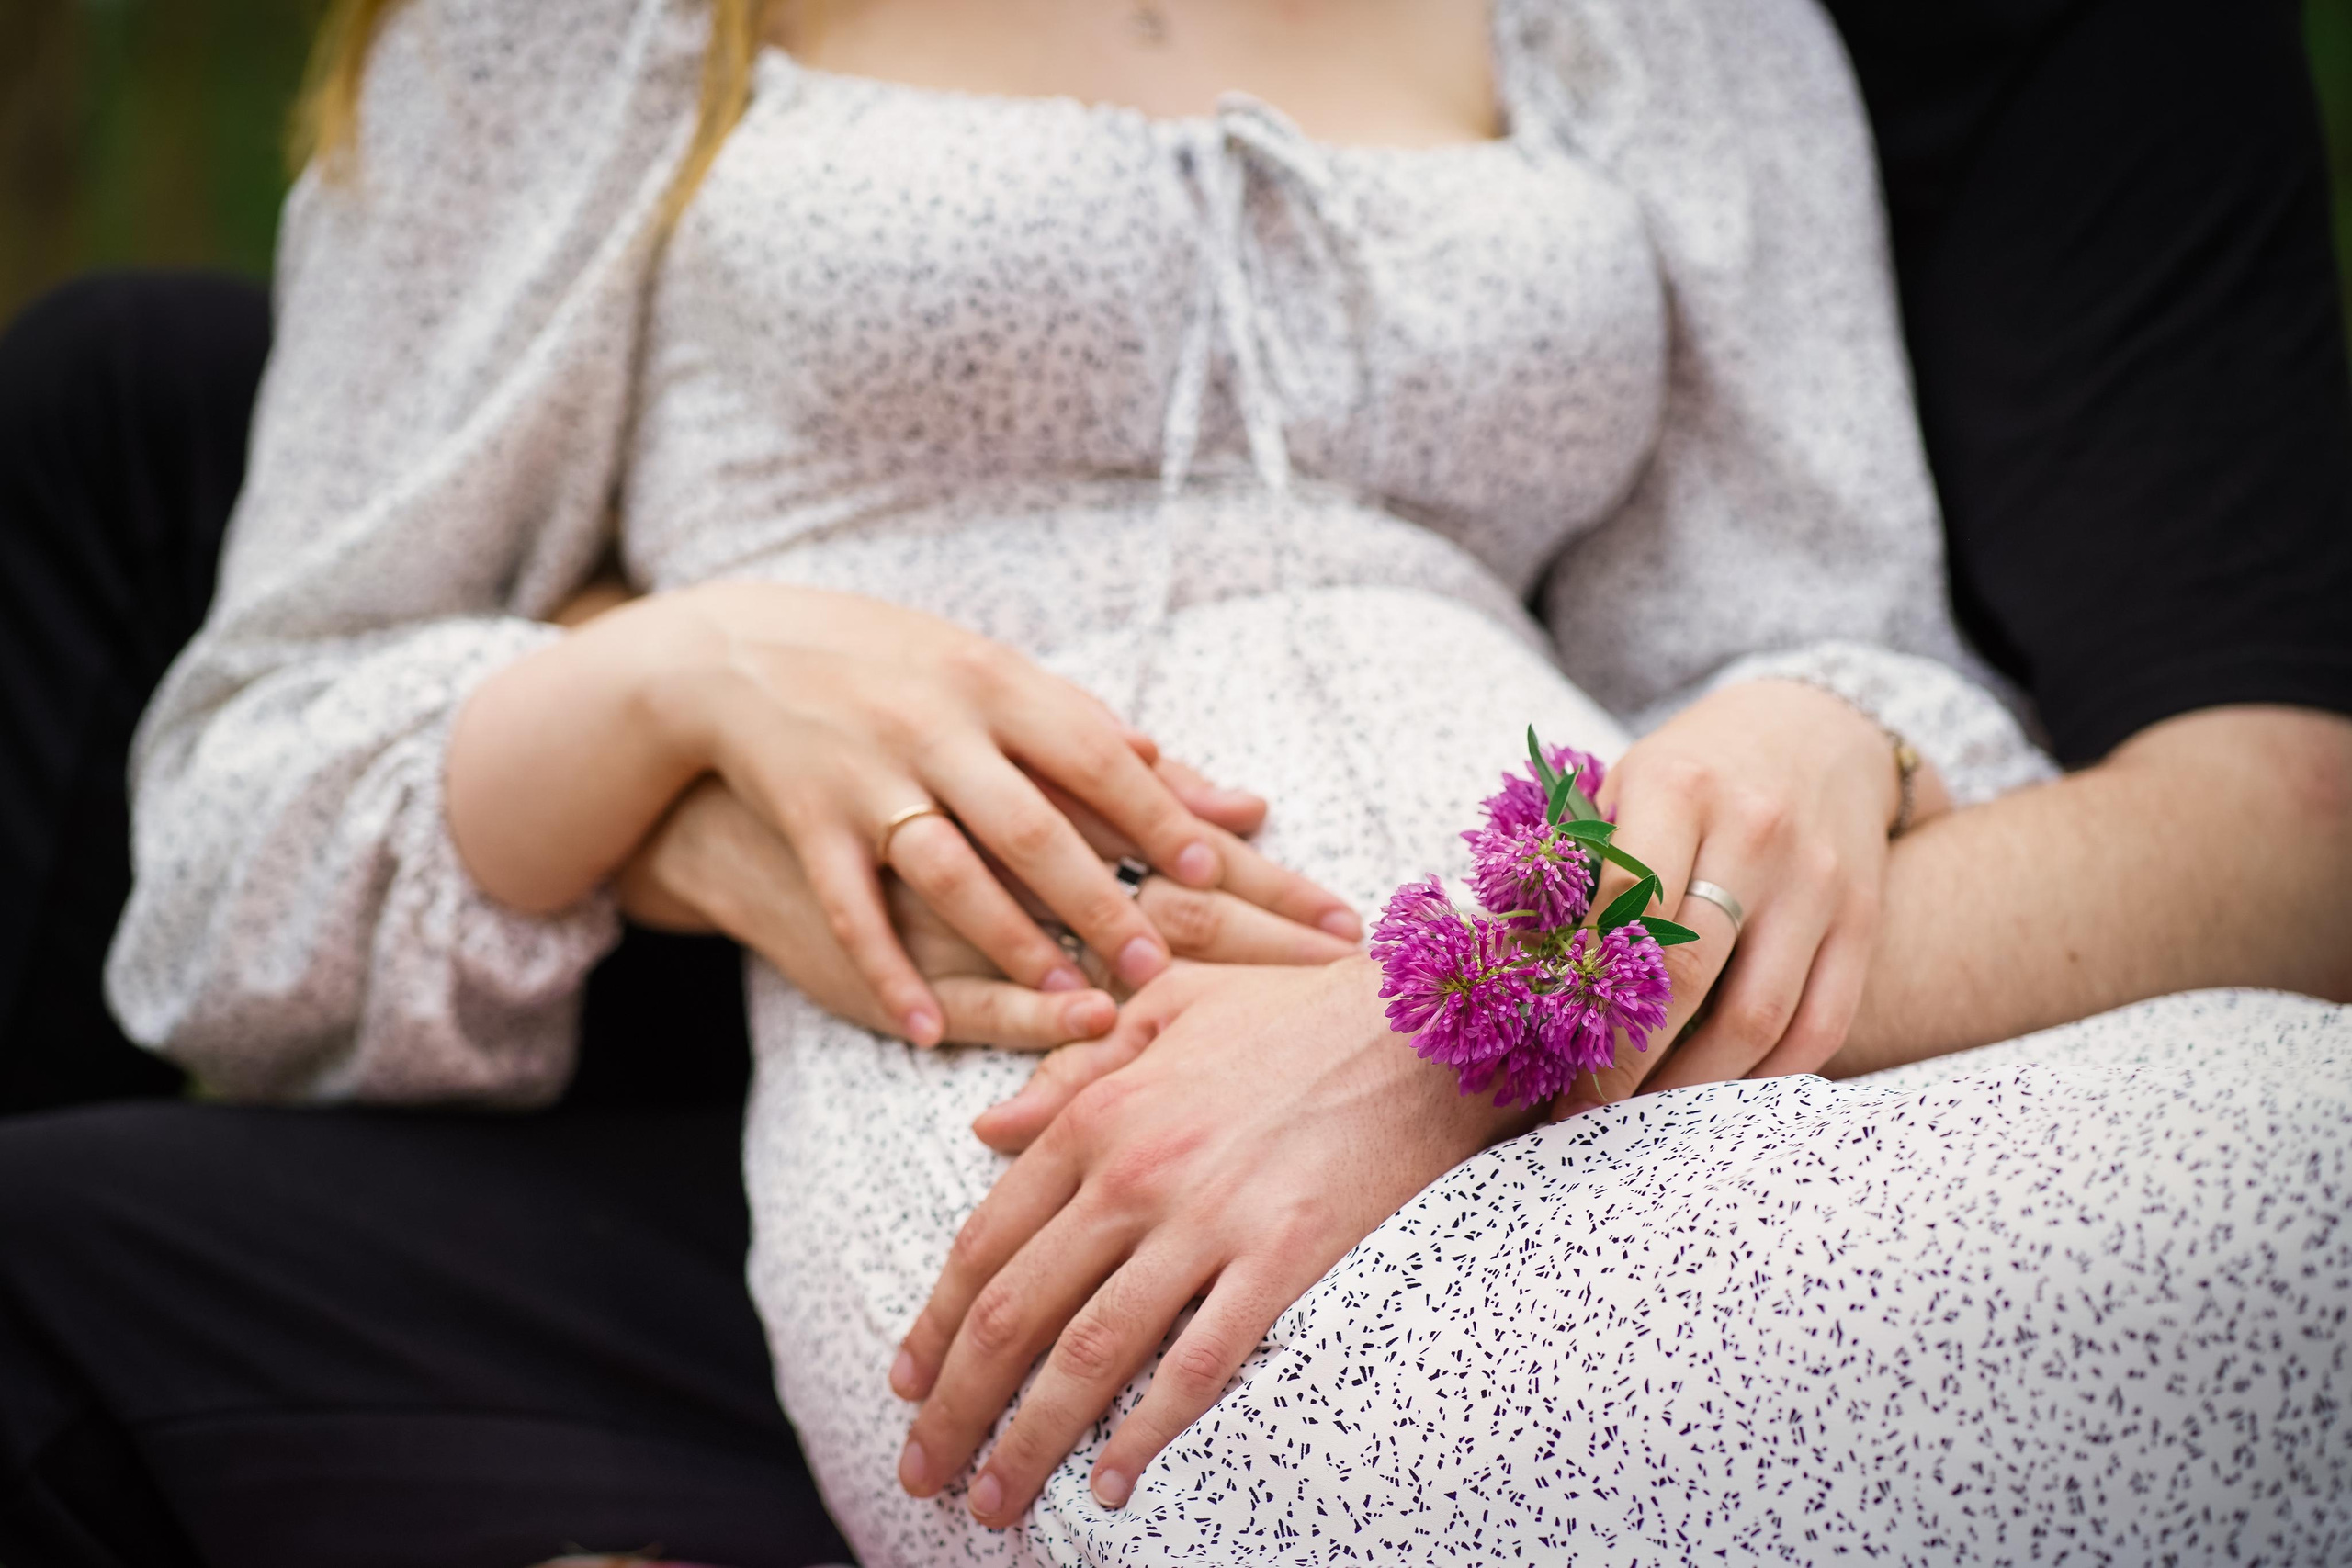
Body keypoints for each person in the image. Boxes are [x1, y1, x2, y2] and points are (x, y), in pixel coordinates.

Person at [0, 0, 2346, 1564]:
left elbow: (1850, 661)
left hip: (1624, 1002)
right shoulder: (594, 33)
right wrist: (680, 680)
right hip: (1084, 1149)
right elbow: (236, 823)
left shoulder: (1662, 31)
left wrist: (1772, 750)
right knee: (1413, 1456)